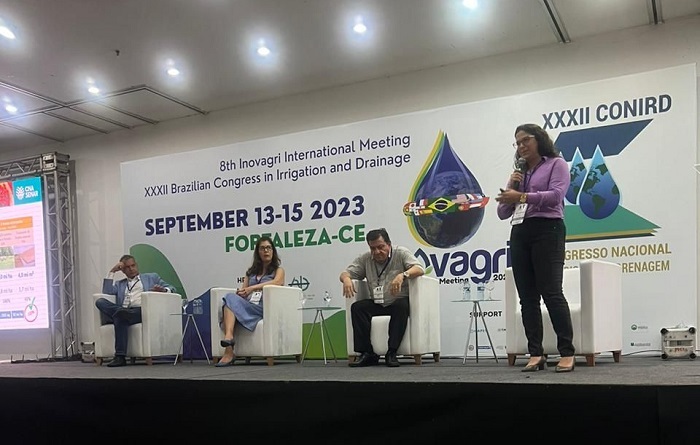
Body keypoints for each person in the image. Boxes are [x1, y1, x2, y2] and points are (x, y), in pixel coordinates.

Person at [495, 123, 575, 373]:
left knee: (551, 292)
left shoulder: (556, 164)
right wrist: (514, 186)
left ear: (539, 139)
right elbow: (502, 212)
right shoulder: (518, 174)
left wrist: (521, 197)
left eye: (525, 140)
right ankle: (536, 353)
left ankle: (567, 352)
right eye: (517, 143)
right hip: (520, 232)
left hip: (548, 229)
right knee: (527, 298)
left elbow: (556, 196)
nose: (521, 146)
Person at [340, 228, 424, 367]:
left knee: (401, 305)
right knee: (358, 308)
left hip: (397, 301)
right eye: (373, 248)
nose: (377, 252)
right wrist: (346, 279)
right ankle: (367, 353)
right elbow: (345, 273)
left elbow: (419, 268)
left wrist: (402, 275)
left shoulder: (401, 253)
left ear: (389, 244)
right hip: (378, 302)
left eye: (381, 247)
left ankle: (392, 352)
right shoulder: (366, 258)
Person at [95, 254, 176, 368]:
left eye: (133, 265)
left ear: (136, 265)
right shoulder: (120, 284)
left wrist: (163, 290)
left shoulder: (151, 277)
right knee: (100, 302)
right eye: (127, 267)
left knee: (120, 314)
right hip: (124, 311)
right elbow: (107, 291)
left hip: (140, 311)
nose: (131, 269)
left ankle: (120, 357)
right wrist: (112, 271)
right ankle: (118, 313)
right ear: (123, 270)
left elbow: (172, 288)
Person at [216, 236, 285, 367]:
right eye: (262, 248)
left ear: (273, 251)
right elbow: (244, 290)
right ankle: (229, 343)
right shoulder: (250, 273)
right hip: (249, 305)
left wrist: (252, 288)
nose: (266, 251)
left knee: (229, 302)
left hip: (264, 307)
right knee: (230, 299)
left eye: (269, 248)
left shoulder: (278, 270)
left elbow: (278, 282)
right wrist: (242, 293)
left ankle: (229, 347)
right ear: (258, 252)